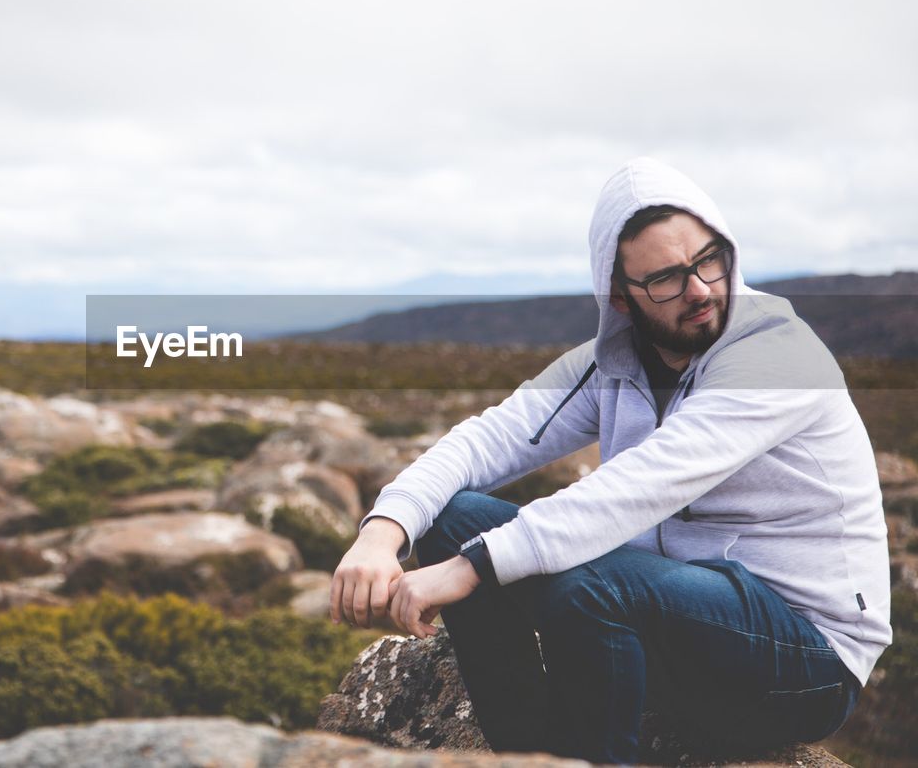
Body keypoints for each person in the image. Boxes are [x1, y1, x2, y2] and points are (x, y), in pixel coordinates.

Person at [329, 157, 892, 764]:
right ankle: (527, 750)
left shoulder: (778, 356)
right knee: (452, 517)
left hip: (807, 659)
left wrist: (473, 567)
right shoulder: (611, 362)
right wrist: (384, 533)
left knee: (587, 579)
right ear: (621, 298)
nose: (700, 289)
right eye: (667, 279)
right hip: (678, 625)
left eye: (709, 259)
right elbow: (488, 439)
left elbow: (644, 485)